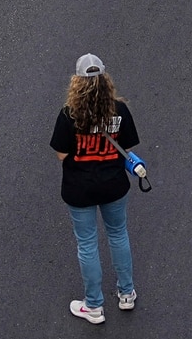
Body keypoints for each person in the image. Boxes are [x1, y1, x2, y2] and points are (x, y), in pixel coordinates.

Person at [51, 53, 142, 324]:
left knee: (87, 244)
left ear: (77, 82)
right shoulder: (119, 110)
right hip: (114, 186)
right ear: (105, 80)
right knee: (118, 235)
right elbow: (128, 148)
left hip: (79, 189)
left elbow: (61, 154)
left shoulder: (69, 115)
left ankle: (93, 305)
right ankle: (126, 294)